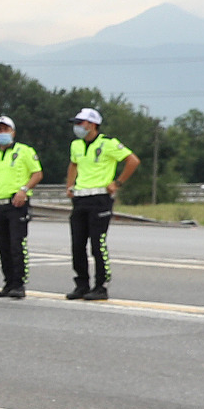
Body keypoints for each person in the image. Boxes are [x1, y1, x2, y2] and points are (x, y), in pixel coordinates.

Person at [65, 108, 139, 302]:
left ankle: (101, 285)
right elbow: (73, 164)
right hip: (80, 198)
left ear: (93, 124)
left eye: (81, 123)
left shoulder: (108, 143)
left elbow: (132, 160)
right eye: (77, 123)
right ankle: (81, 284)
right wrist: (70, 186)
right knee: (77, 244)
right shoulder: (76, 145)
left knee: (98, 244)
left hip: (99, 198)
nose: (78, 127)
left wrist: (117, 182)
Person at [0, 116, 42, 299]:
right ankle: (8, 282)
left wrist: (24, 190)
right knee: (3, 246)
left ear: (13, 132)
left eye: (5, 130)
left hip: (16, 204)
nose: (2, 133)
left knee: (16, 245)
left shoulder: (24, 151)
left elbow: (37, 173)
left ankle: (19, 284)